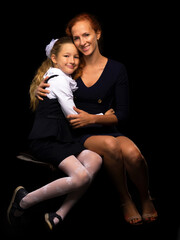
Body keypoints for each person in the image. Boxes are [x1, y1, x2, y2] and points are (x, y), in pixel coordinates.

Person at [31, 13, 158, 225]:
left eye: (86, 35)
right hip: (78, 131)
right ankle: (125, 198)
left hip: (104, 126)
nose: (82, 42)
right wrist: (38, 90)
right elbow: (51, 80)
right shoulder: (71, 67)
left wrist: (94, 119)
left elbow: (122, 114)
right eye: (76, 38)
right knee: (110, 145)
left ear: (97, 34)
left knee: (134, 154)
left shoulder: (116, 69)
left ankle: (145, 196)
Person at [7, 36, 102, 231]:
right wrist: (101, 116)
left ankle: (58, 214)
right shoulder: (58, 79)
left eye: (76, 56)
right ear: (54, 58)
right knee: (81, 177)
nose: (72, 60)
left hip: (62, 140)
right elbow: (72, 116)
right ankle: (24, 200)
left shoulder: (61, 77)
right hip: (47, 141)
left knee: (95, 159)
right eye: (66, 55)